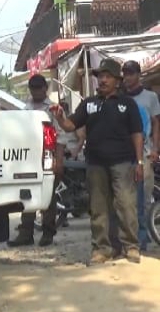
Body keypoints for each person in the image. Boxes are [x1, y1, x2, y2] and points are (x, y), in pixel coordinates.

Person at [52, 58, 144, 265]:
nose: (102, 80)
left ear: (117, 80)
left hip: (123, 163)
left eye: (106, 76)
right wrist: (59, 117)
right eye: (100, 76)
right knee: (98, 207)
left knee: (126, 205)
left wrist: (139, 162)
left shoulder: (127, 103)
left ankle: (131, 247)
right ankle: (102, 249)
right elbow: (69, 125)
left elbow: (137, 134)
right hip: (95, 164)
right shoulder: (89, 104)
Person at [8, 74, 66, 247]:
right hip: (30, 158)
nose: (35, 91)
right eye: (32, 88)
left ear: (45, 88)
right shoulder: (26, 109)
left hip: (49, 155)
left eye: (38, 88)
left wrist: (59, 160)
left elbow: (61, 136)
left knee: (47, 196)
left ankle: (48, 232)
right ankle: (26, 233)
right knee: (26, 195)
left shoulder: (53, 109)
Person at [109, 60, 160, 252]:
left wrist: (155, 148)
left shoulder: (150, 97)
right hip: (123, 155)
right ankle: (127, 240)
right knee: (124, 200)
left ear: (138, 75)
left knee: (143, 200)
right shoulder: (118, 98)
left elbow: (155, 123)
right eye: (125, 74)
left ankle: (142, 240)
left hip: (145, 155)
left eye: (131, 73)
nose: (128, 77)